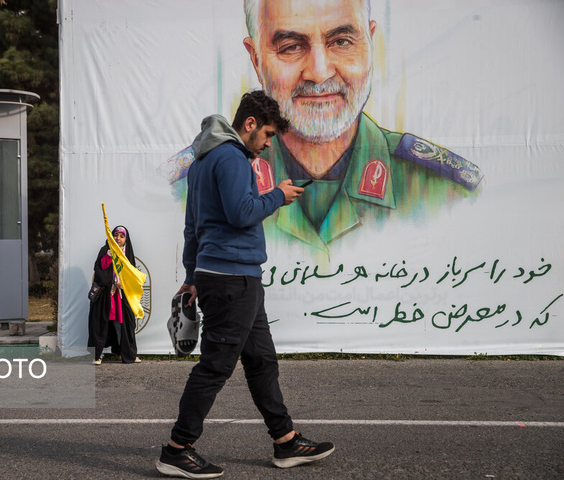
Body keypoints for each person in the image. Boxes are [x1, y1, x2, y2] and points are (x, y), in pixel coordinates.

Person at [155, 91, 335, 478]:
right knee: (215, 366)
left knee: (261, 361)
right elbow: (242, 214)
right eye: (268, 134)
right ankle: (177, 448)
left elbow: (192, 227)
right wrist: (279, 196)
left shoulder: (203, 161)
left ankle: (285, 441)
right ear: (248, 124)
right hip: (233, 278)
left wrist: (191, 277)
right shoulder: (232, 157)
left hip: (229, 276)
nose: (268, 145)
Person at [242, 0, 482, 252]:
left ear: (370, 43)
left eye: (342, 42)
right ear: (256, 60)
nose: (319, 73)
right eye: (290, 47)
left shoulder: (447, 190)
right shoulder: (203, 184)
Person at [88, 225, 141, 365]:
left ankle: (127, 354)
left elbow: (132, 274)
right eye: (116, 235)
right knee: (101, 324)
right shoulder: (105, 250)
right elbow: (99, 270)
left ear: (126, 239)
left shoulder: (127, 253)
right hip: (105, 294)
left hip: (122, 296)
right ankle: (96, 356)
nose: (118, 238)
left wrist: (124, 284)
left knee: (123, 325)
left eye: (122, 236)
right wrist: (112, 280)